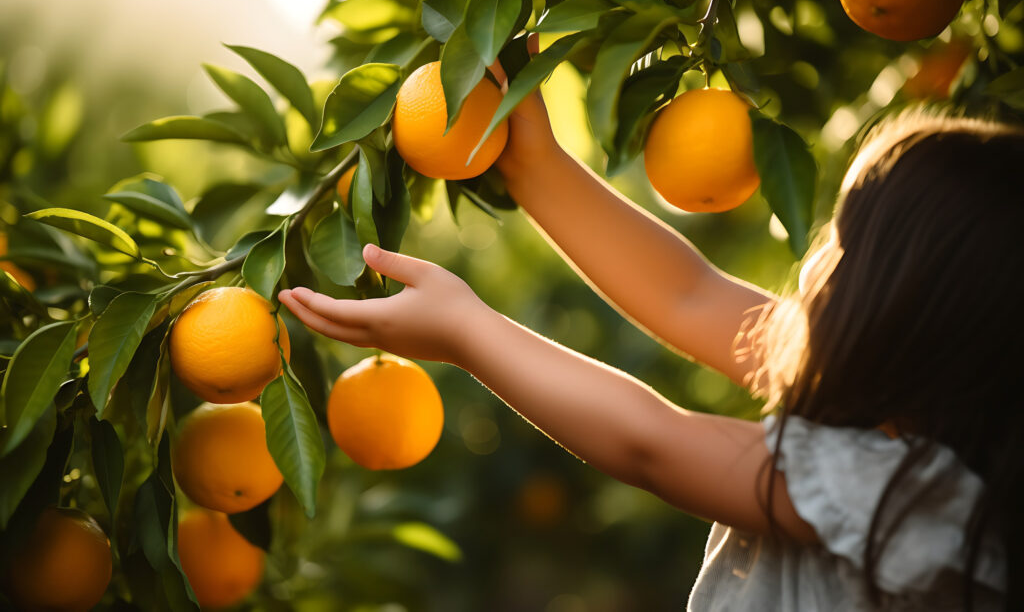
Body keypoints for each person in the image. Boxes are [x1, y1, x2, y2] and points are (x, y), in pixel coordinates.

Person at [278, 49, 1018, 610]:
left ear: (917, 311)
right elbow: (689, 294)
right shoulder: (894, 406)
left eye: (846, 244)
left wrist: (467, 332)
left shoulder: (917, 496)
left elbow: (651, 443)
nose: (817, 254)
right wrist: (536, 166)